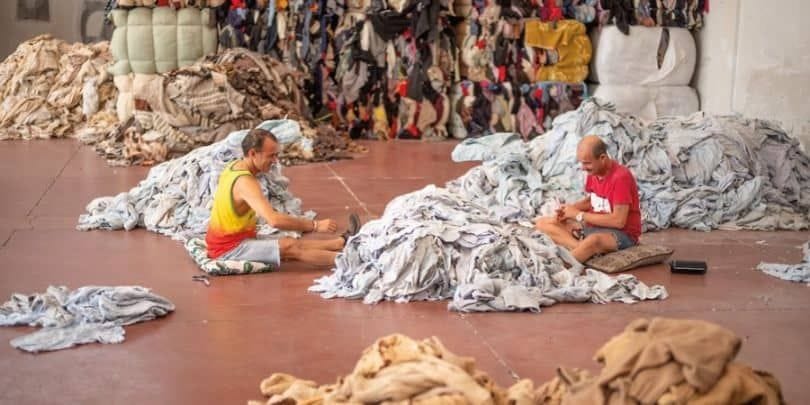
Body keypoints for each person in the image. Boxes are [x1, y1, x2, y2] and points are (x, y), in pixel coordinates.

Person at [206, 128, 359, 267]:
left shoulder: (234, 166)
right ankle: (354, 262)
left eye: (276, 155)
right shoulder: (245, 182)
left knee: (290, 242)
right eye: (271, 156)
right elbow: (274, 220)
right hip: (228, 249)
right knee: (290, 248)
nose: (275, 161)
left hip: (236, 239)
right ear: (252, 153)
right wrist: (315, 225)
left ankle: (340, 243)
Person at [535, 135, 641, 263]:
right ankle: (580, 248)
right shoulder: (594, 172)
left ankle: (564, 264)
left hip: (623, 234)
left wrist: (578, 215)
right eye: (581, 163)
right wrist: (569, 210)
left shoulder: (620, 177)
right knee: (543, 223)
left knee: (594, 241)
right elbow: (593, 200)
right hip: (595, 228)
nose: (583, 168)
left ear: (602, 158)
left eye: (587, 163)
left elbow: (619, 221)